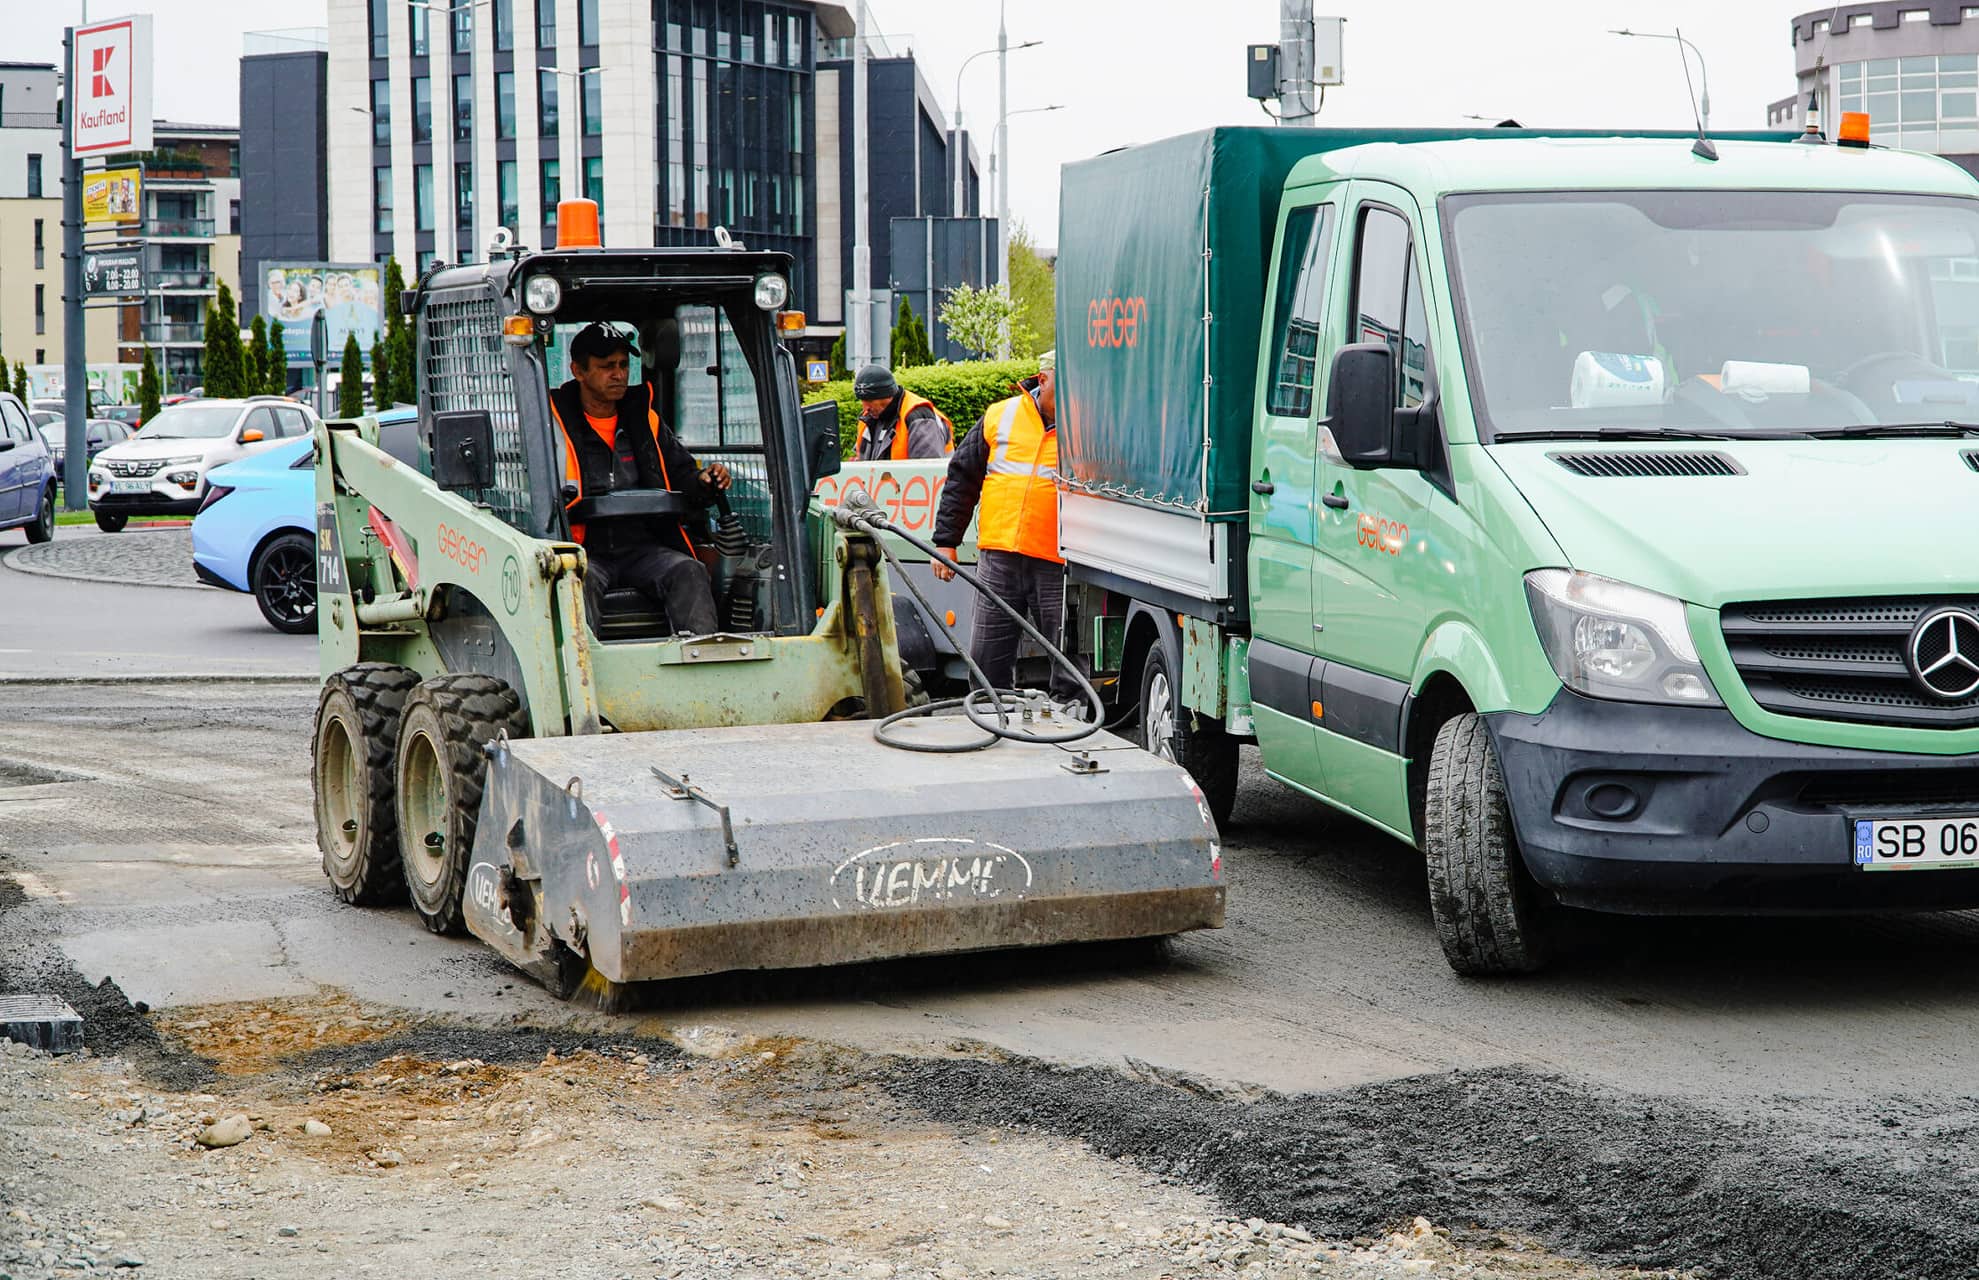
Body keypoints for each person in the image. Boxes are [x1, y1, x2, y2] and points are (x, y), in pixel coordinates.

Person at [547, 321, 732, 636]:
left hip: (642, 546)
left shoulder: (645, 419)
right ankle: (580, 674)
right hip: (583, 547)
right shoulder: (552, 424)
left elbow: (681, 473)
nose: (619, 374)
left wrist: (704, 479)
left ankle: (704, 664)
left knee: (688, 570)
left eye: (623, 365)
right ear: (578, 371)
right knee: (575, 581)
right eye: (607, 367)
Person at [931, 350, 1066, 693]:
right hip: (999, 557)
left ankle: (1072, 722)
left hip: (1058, 561)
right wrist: (946, 541)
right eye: (1064, 387)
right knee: (987, 656)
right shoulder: (1001, 416)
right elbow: (962, 477)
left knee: (1067, 657)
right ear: (1043, 379)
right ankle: (990, 715)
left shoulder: (1085, 425)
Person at [851, 364, 953, 461]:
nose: (866, 408)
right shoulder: (869, 418)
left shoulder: (918, 416)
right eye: (862, 401)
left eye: (870, 401)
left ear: (887, 395)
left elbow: (927, 471)